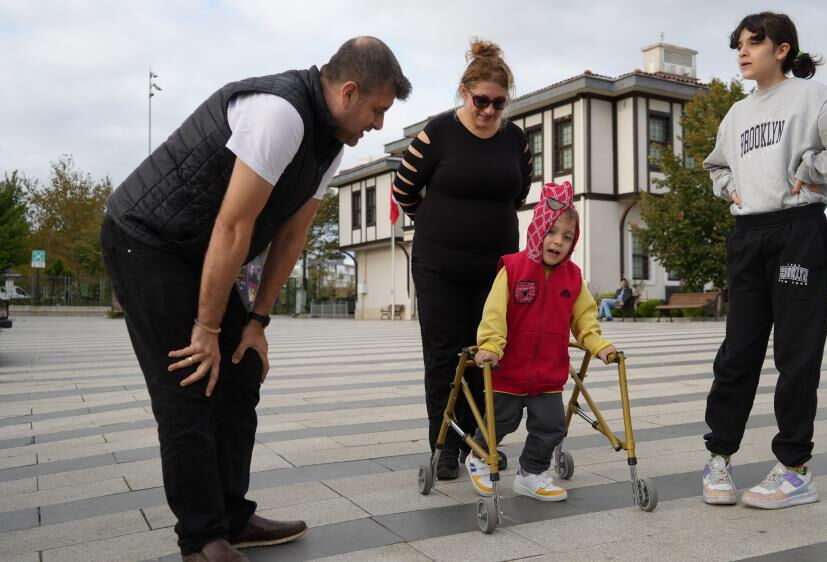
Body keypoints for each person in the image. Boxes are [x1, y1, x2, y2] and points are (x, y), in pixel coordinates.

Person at [101, 38, 410, 561]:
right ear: (349, 92)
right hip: (146, 239)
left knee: (241, 369)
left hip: (199, 250)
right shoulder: (280, 114)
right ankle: (202, 539)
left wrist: (256, 322)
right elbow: (234, 225)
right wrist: (206, 329)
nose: (379, 124)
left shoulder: (330, 143)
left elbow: (291, 236)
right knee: (190, 381)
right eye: (378, 110)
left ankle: (232, 517)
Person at [700, 12, 827, 510]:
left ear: (782, 49)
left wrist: (815, 166)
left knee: (796, 353)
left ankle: (794, 469)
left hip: (799, 232)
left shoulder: (811, 97)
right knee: (738, 352)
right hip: (748, 235)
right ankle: (719, 456)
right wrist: (730, 188)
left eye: (753, 43)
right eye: (738, 45)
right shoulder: (736, 114)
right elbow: (716, 165)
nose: (743, 53)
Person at [392, 38, 532, 480]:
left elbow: (520, 191)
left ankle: (479, 442)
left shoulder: (515, 139)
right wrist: (437, 220)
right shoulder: (438, 132)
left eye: (498, 102)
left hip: (497, 268)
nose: (489, 110)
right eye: (480, 101)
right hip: (440, 267)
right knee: (444, 356)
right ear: (464, 92)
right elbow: (403, 190)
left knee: (487, 353)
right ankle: (445, 445)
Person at [468, 181, 616, 501]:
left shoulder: (573, 277)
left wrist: (598, 345)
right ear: (537, 230)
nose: (558, 241)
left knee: (551, 426)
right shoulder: (513, 267)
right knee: (500, 421)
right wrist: (490, 345)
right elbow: (494, 313)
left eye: (567, 236)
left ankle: (531, 473)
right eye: (552, 232)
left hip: (549, 371)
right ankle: (479, 457)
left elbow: (585, 318)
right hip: (509, 369)